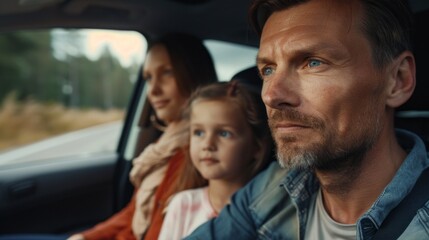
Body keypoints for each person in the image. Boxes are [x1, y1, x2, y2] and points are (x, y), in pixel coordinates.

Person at [185, 0, 429, 239]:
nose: (271, 95)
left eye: (313, 63)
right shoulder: (276, 186)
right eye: (268, 70)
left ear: (397, 80)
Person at [68, 33, 218, 240]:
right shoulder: (164, 143)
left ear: (195, 76)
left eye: (167, 73)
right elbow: (133, 213)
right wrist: (86, 237)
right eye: (148, 77)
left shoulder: (200, 153)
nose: (153, 90)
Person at [157, 81, 272, 240]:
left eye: (224, 134)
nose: (207, 144)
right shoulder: (183, 205)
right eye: (198, 133)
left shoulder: (268, 210)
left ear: (257, 148)